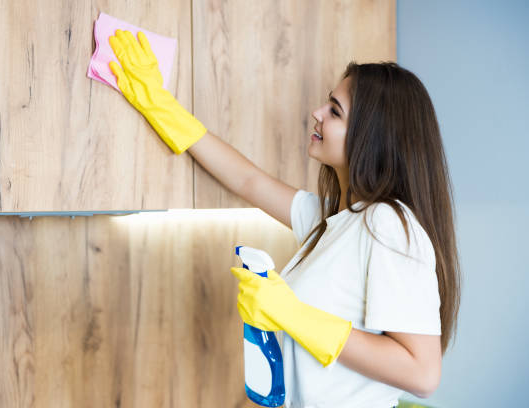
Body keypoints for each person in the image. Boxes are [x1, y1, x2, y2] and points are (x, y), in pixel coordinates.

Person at [107, 30, 461, 408]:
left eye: (335, 111)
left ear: (371, 138)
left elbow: (423, 374)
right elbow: (249, 180)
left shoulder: (388, 224)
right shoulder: (334, 219)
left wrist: (293, 315)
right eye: (328, 103)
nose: (317, 113)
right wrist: (160, 105)